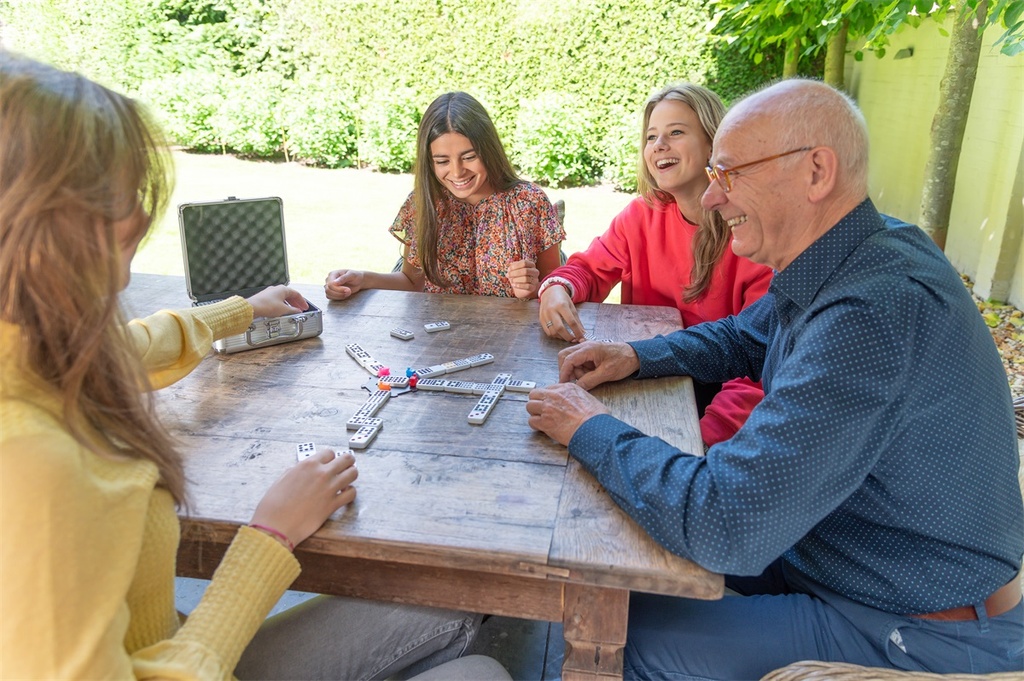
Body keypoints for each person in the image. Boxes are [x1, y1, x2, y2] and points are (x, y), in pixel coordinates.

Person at [0, 53, 510, 681]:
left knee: (457, 600)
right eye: (114, 196)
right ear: (29, 220)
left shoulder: (35, 346)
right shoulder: (30, 464)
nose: (139, 216)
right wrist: (270, 536)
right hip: (188, 666)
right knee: (479, 674)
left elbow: (130, 347)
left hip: (179, 647)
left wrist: (240, 311)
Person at [525, 78, 1023, 677]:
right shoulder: (858, 250)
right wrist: (635, 356)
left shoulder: (872, 312)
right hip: (838, 550)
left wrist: (590, 429)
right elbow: (742, 336)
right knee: (617, 558)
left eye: (729, 174)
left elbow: (724, 521)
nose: (710, 198)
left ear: (816, 171)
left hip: (910, 619)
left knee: (612, 634)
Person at [536, 83, 772, 447]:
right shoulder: (641, 215)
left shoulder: (751, 235)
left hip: (711, 407)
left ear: (714, 142)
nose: (659, 145)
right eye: (651, 136)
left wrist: (700, 442)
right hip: (639, 374)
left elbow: (757, 368)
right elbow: (589, 269)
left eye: (676, 132)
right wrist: (557, 287)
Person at [325, 91, 565, 301]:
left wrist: (533, 291)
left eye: (469, 157)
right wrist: (362, 278)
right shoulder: (423, 203)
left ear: (489, 150)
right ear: (429, 162)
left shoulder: (529, 202)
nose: (457, 172)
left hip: (512, 343)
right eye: (442, 161)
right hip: (438, 341)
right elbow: (412, 282)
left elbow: (556, 287)